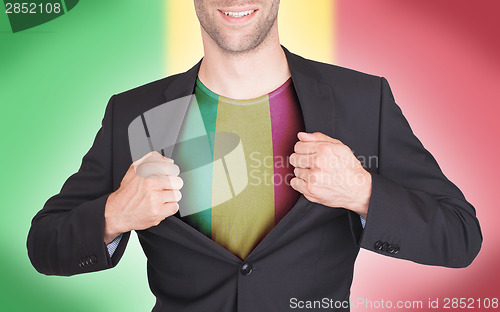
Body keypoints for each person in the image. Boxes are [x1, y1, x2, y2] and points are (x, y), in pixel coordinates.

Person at [27, 1, 482, 311]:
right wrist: (114, 214)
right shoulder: (134, 112)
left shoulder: (363, 100)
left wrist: (363, 192)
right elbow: (44, 245)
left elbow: (460, 236)